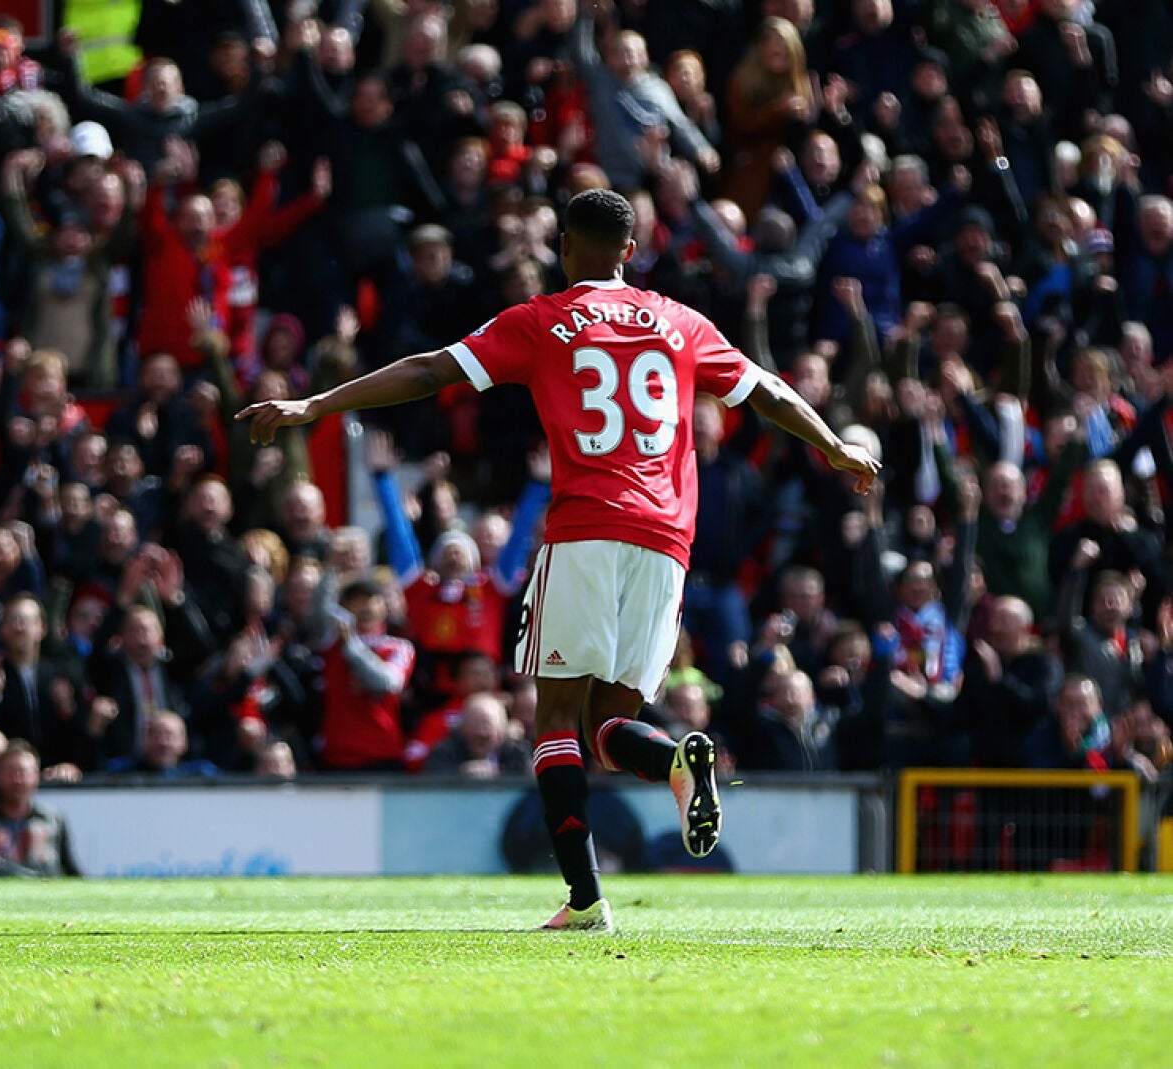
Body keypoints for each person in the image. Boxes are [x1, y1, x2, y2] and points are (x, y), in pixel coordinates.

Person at [240, 188, 880, 930]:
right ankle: (675, 760)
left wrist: (314, 404)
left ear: (565, 248)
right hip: (667, 542)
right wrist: (834, 445)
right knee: (611, 727)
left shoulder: (542, 321)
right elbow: (764, 389)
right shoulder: (680, 322)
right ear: (631, 252)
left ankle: (584, 901)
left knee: (554, 717)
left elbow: (427, 371)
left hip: (586, 529)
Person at [0, 740, 83, 876]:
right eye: (11, 772)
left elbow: (70, 869)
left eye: (24, 773)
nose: (18, 780)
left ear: (36, 776)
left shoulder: (53, 820)